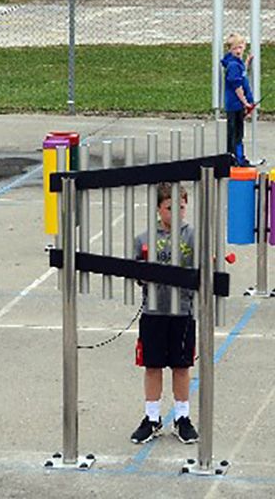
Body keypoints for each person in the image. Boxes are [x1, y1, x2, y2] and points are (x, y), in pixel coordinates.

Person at [130, 182, 199, 445]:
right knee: (153, 364)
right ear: (159, 209)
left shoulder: (193, 236)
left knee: (181, 366)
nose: (177, 213)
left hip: (182, 311)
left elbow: (201, 270)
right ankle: (152, 417)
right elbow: (136, 273)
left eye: (181, 208)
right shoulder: (144, 238)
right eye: (170, 208)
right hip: (154, 311)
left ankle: (182, 417)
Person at [221, 33, 254, 167]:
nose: (238, 51)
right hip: (235, 105)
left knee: (237, 132)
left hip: (237, 104)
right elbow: (237, 86)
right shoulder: (233, 65)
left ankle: (236, 158)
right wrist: (245, 102)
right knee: (236, 133)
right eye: (235, 48)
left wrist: (247, 62)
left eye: (240, 47)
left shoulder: (237, 62)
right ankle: (236, 159)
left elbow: (242, 73)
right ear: (230, 49)